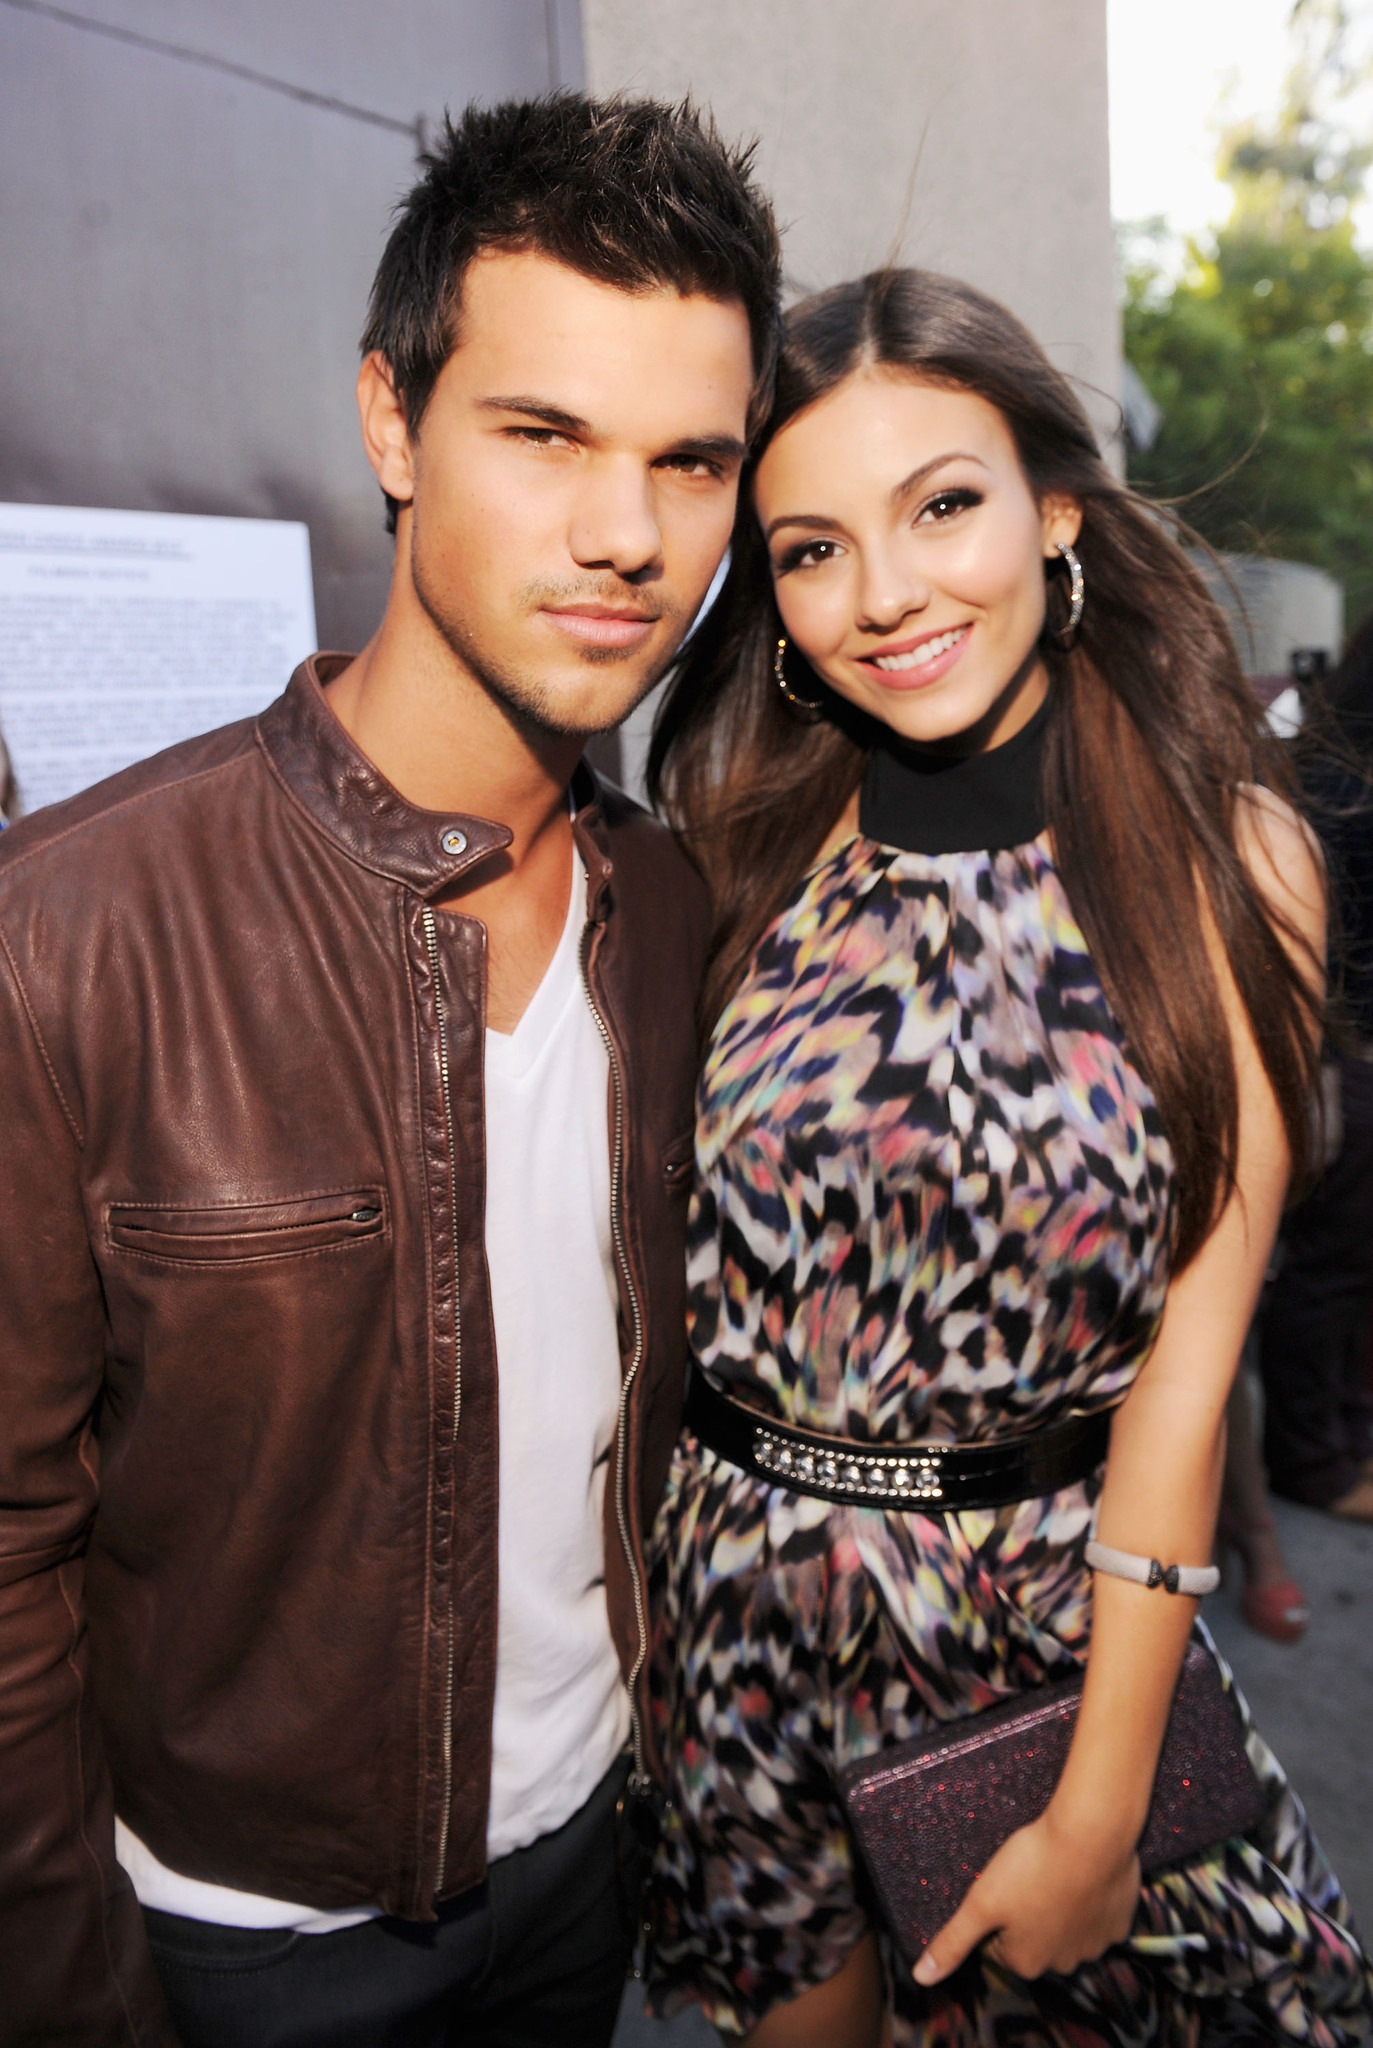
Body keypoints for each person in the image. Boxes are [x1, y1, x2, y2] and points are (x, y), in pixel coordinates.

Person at [0, 94, 780, 2047]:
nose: (628, 534)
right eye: (544, 435)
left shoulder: (673, 908)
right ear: (389, 425)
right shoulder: (74, 930)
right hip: (236, 1946)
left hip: (591, 1863)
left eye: (690, 461)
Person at [643, 269, 1373, 2046]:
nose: (883, 594)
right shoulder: (743, 838)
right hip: (730, 1618)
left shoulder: (1219, 856)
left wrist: (1104, 1808)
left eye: (940, 505)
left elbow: (1184, 1395)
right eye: (807, 548)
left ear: (1051, 506)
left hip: (1034, 1634)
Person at [1258, 614, 1373, 1520]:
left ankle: (1341, 1440)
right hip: (1344, 1059)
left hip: (1348, 1055)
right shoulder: (1333, 780)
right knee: (1326, 1274)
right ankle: (1312, 1463)